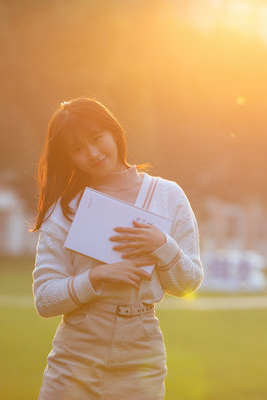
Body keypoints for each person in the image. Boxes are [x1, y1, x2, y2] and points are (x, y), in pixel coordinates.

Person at [31, 97, 203, 399]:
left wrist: (163, 245)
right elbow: (45, 300)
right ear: (68, 157)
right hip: (76, 355)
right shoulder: (66, 209)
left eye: (97, 139)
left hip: (141, 353)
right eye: (77, 149)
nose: (93, 154)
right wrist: (96, 277)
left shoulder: (168, 195)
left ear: (114, 132)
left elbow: (188, 283)